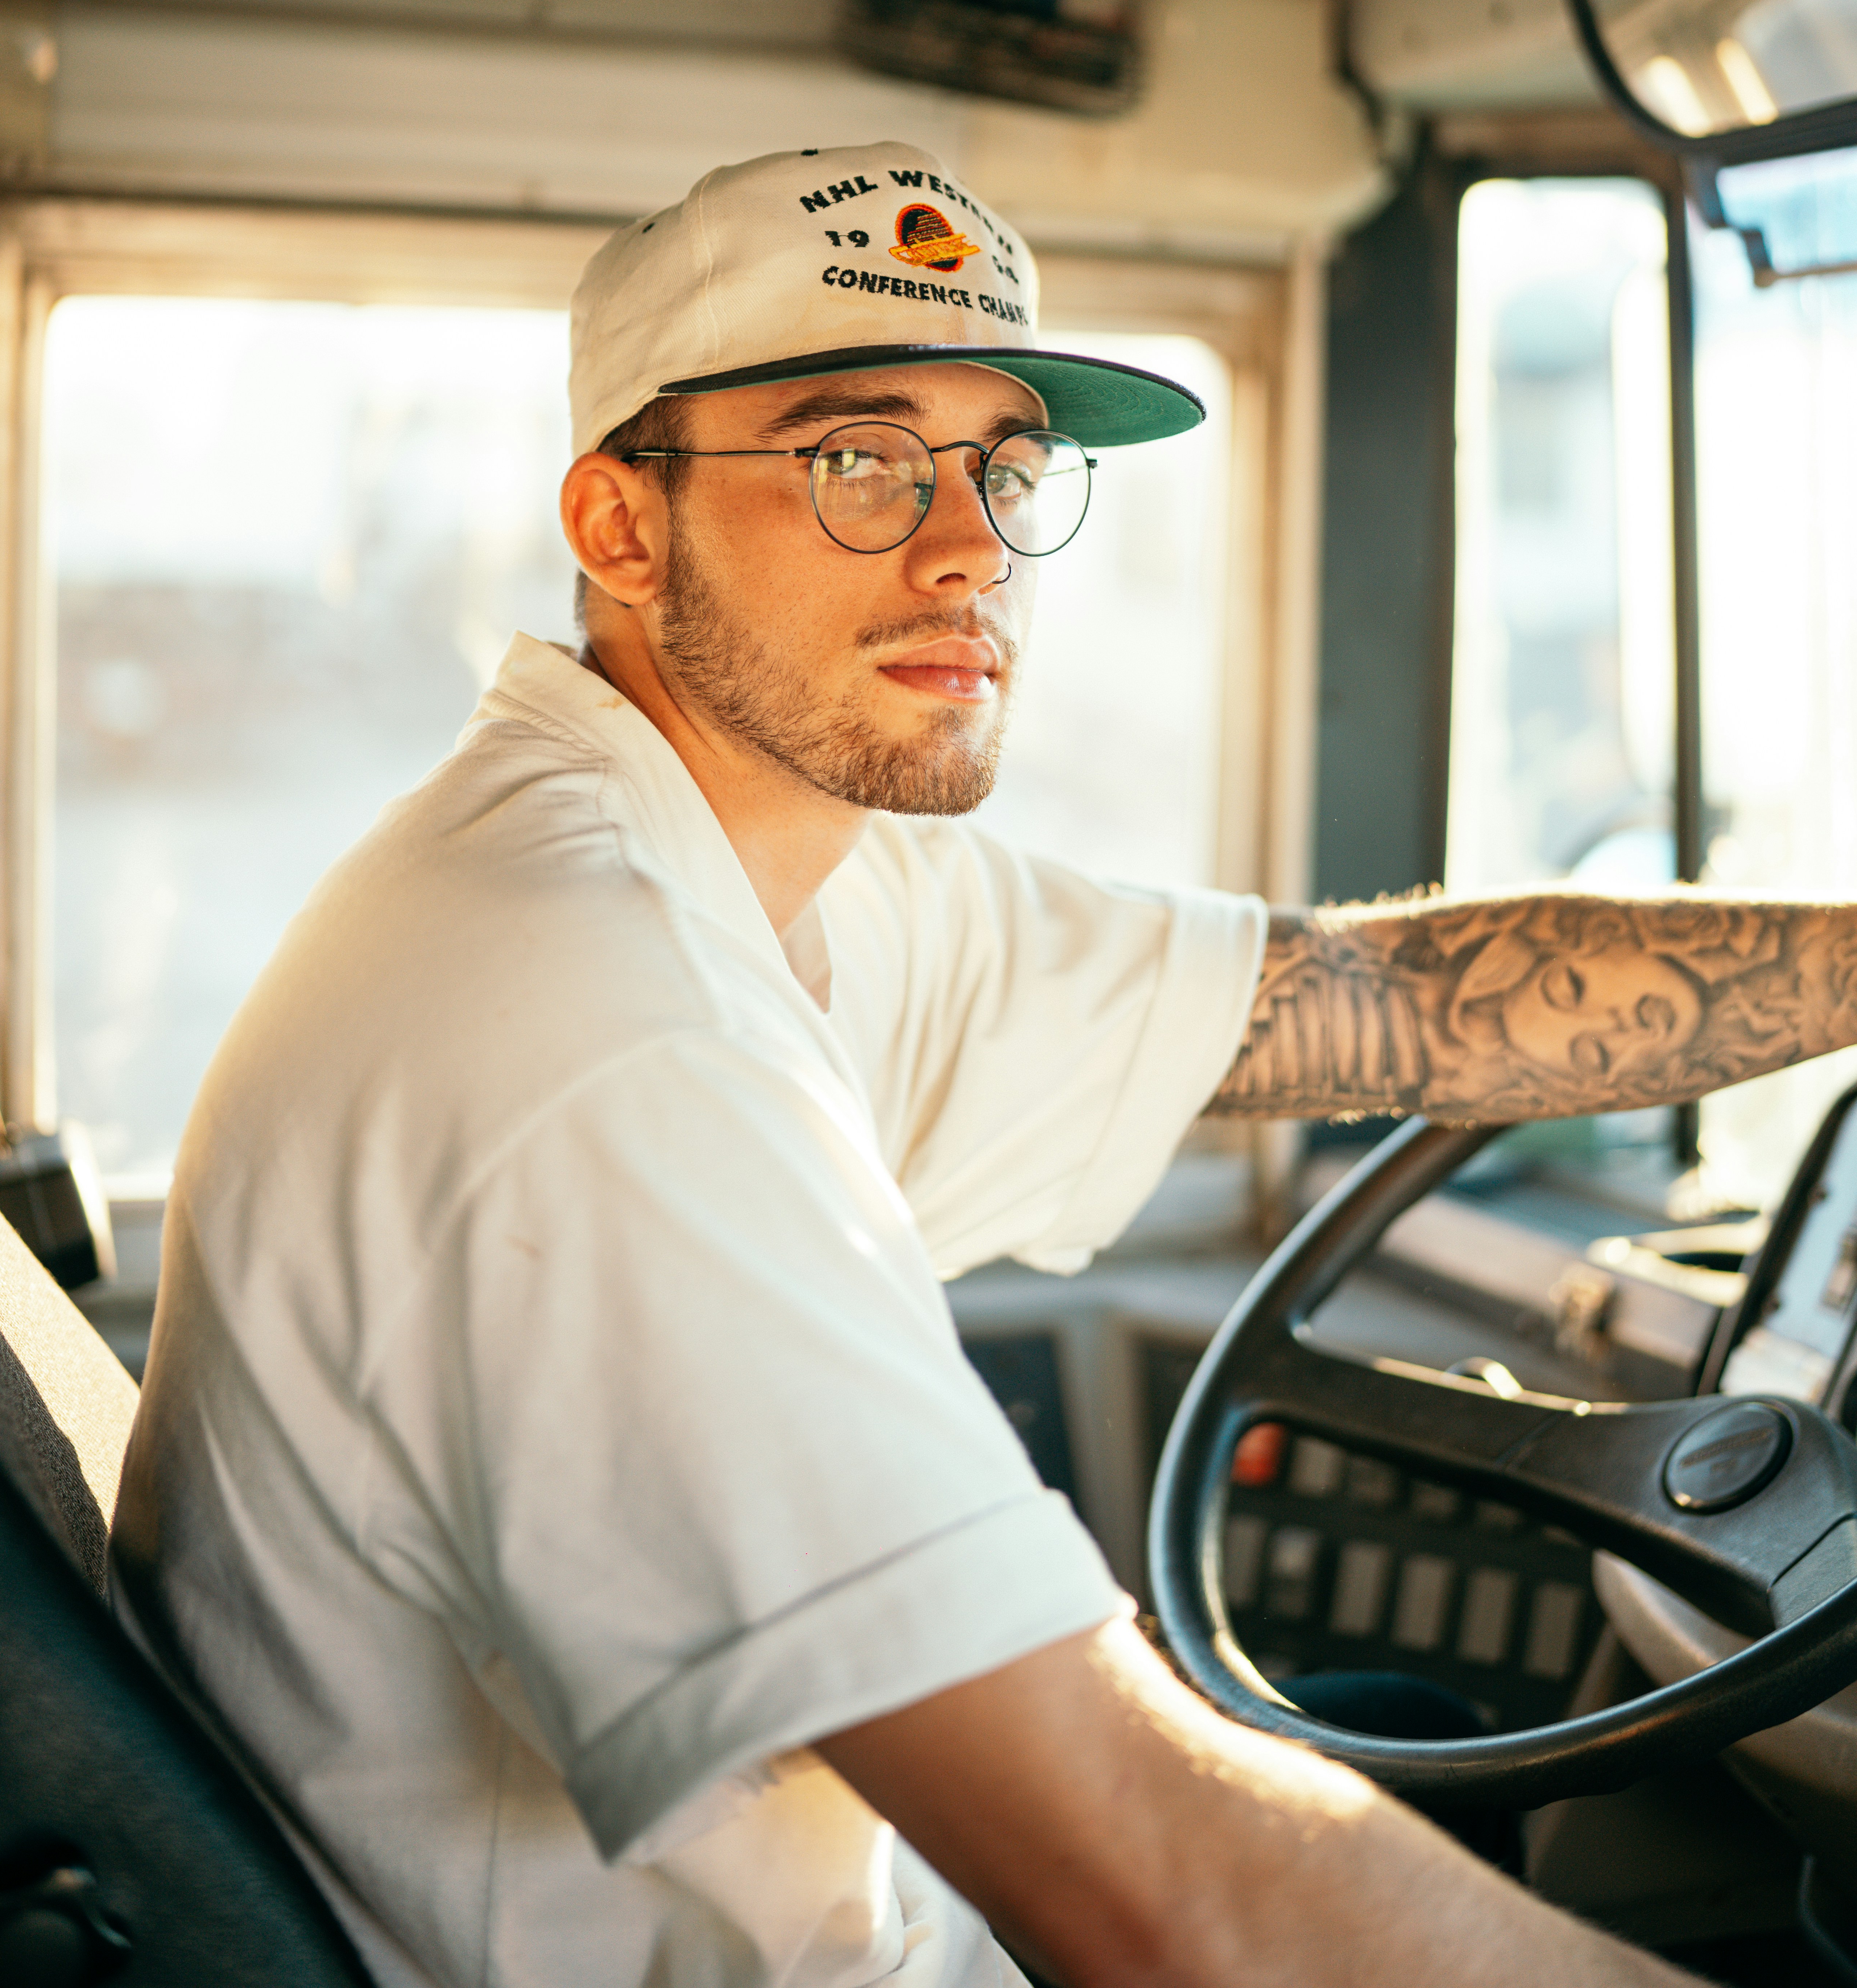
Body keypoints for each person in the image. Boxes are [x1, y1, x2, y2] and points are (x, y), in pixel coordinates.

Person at [112, 141, 1857, 1988]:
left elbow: (1387, 1002)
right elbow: (1157, 1889)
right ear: (622, 524)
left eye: (1005, 469)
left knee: (1388, 1718)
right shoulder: (598, 1027)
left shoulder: (778, 873)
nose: (968, 548)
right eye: (858, 458)